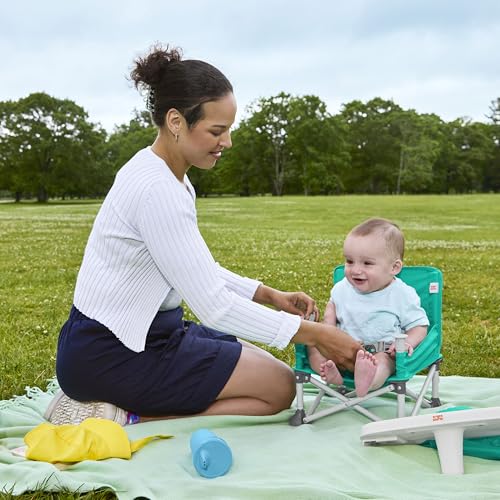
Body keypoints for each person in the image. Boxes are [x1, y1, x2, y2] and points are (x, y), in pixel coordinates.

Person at [45, 44, 361, 426]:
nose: (227, 142)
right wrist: (317, 335)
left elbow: (192, 268)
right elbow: (215, 307)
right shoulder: (156, 189)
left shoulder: (167, 176)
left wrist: (268, 295)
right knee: (279, 388)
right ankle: (121, 415)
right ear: (176, 121)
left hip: (144, 336)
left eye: (228, 130)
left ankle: (122, 407)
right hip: (113, 354)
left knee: (270, 372)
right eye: (217, 131)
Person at [308, 218, 429, 397]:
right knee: (313, 345)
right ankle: (331, 373)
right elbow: (331, 312)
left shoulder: (401, 294)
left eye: (367, 263)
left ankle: (368, 379)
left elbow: (419, 326)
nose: (355, 270)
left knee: (384, 363)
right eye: (349, 261)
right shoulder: (342, 288)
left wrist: (407, 343)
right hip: (341, 350)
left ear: (394, 267)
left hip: (381, 351)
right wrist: (326, 333)